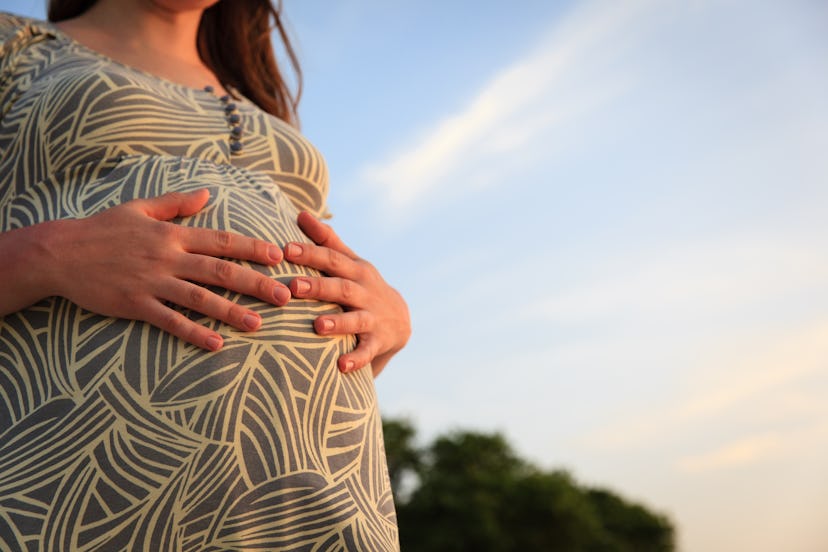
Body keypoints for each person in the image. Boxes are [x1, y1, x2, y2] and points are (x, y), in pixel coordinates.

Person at [0, 1, 410, 550]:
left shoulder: (255, 102)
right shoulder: (15, 43)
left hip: (315, 479)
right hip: (85, 476)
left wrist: (385, 310)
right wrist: (50, 253)